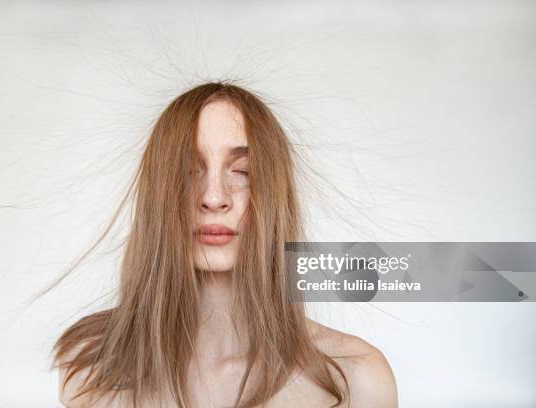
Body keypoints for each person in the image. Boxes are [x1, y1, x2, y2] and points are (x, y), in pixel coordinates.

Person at [53, 82, 398, 407]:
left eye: (243, 173)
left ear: (276, 197)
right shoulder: (89, 369)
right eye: (188, 171)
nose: (214, 197)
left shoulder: (356, 377)